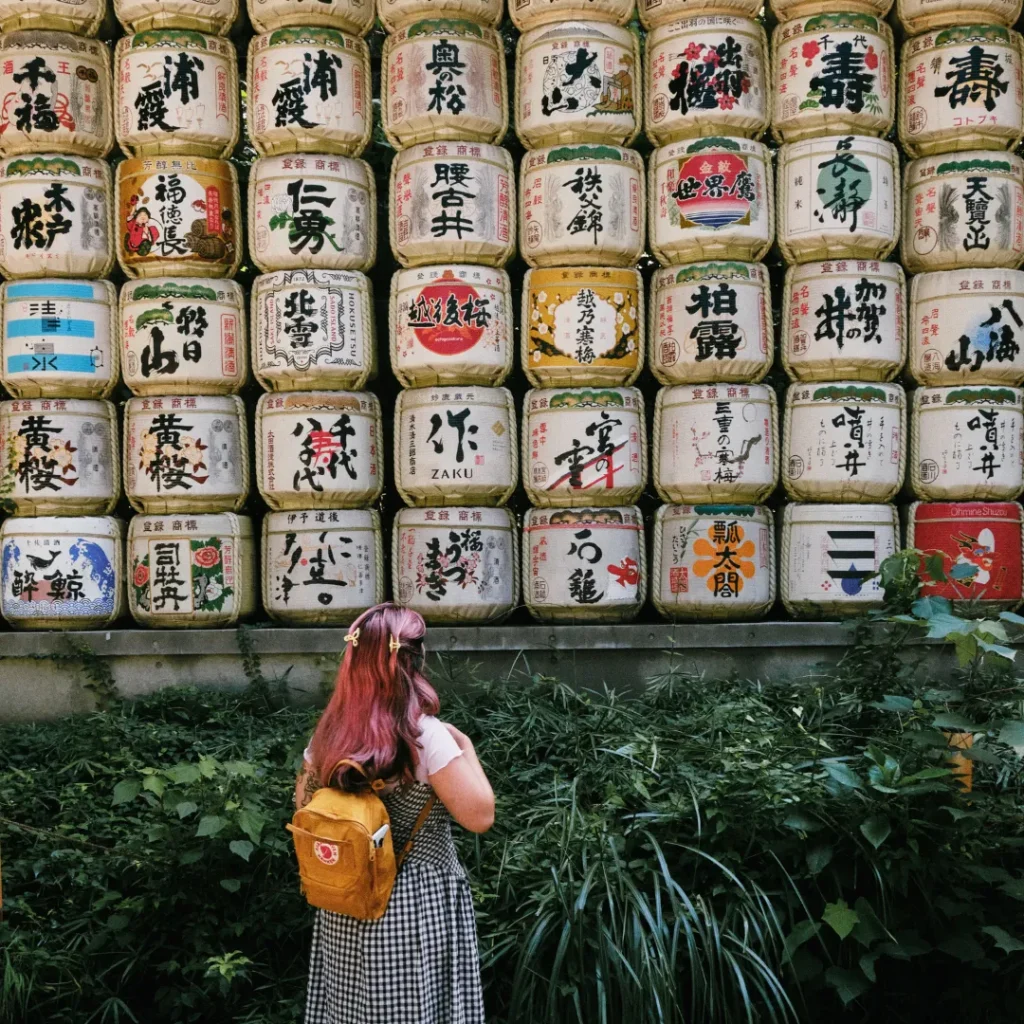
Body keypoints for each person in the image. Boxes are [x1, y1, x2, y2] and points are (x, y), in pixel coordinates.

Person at [295, 603, 495, 1024]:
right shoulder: (424, 735)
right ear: (415, 658)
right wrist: (468, 749)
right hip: (415, 901)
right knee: (418, 1009)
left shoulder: (330, 732)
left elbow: (305, 808)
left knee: (353, 1010)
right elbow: (479, 816)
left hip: (347, 898)